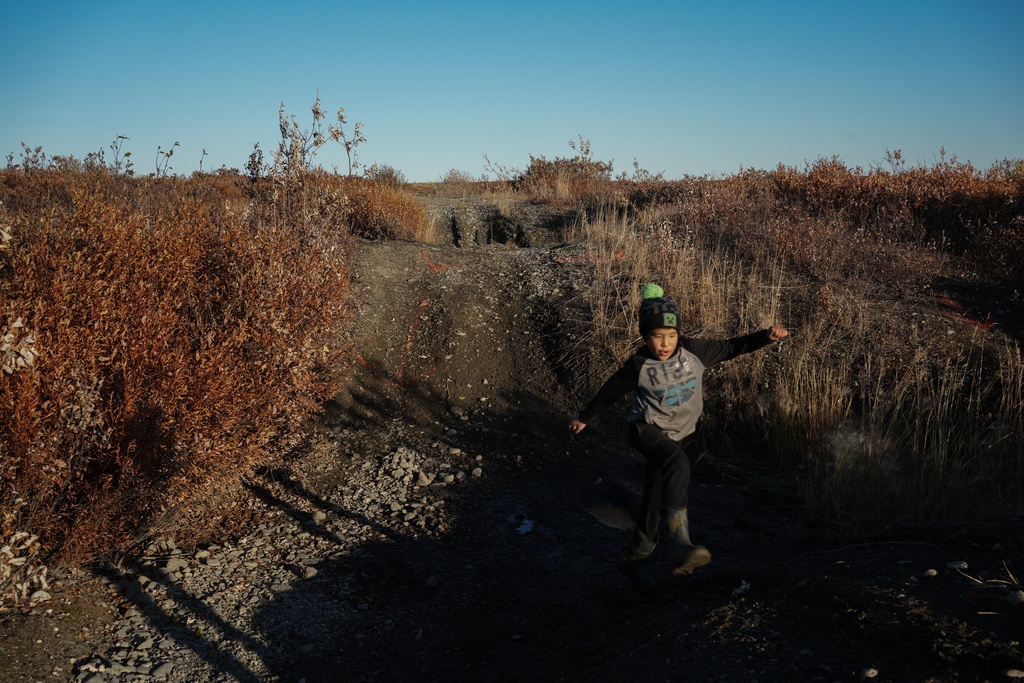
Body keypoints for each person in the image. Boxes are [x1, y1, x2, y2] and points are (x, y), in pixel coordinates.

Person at [568, 283, 789, 593]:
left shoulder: (694, 351)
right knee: (677, 462)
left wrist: (764, 337)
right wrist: (584, 416)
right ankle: (679, 544)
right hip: (645, 429)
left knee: (656, 493)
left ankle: (635, 556)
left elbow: (730, 347)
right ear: (645, 336)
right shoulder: (639, 365)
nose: (664, 343)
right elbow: (611, 390)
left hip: (679, 432)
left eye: (670, 336)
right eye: (657, 336)